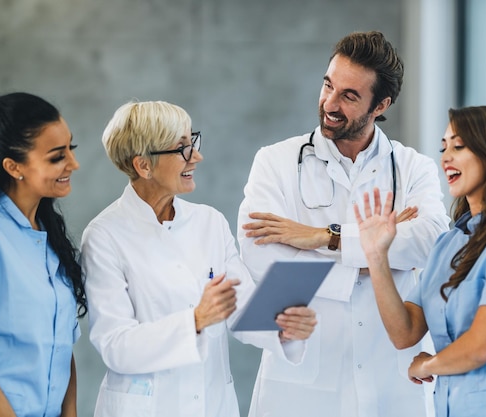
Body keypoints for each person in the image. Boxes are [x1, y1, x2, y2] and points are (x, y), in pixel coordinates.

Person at [237, 31, 450, 417]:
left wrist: (322, 238)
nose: (330, 104)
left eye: (349, 96)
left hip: (390, 379)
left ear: (380, 104)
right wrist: (378, 257)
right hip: (302, 384)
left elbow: (431, 242)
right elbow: (262, 259)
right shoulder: (276, 162)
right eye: (328, 85)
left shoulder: (412, 168)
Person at [81, 100, 317, 417]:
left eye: (193, 142)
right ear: (143, 166)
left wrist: (284, 327)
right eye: (182, 149)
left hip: (211, 404)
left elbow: (243, 307)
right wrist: (195, 321)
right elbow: (116, 346)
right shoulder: (104, 236)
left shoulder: (209, 222)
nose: (197, 156)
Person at [354, 105, 486, 417]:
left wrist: (427, 364)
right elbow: (405, 332)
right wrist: (376, 257)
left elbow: (484, 343)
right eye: (444, 147)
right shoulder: (449, 244)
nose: (445, 157)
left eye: (459, 146)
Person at [0, 92, 86, 417]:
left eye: (71, 148)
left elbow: (59, 349)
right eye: (57, 157)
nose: (73, 163)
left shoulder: (49, 238)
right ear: (14, 167)